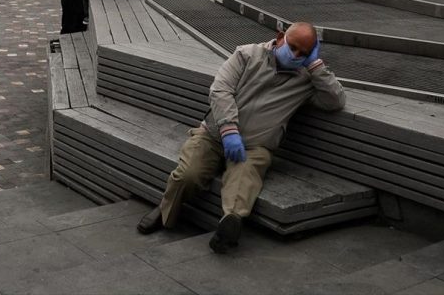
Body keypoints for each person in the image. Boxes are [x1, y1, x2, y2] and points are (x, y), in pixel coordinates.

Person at [136, 22, 346, 254]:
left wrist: (315, 65)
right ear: (279, 38)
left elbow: (334, 101)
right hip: (215, 135)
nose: (296, 55)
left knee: (243, 182)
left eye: (304, 53)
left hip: (257, 146)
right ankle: (164, 211)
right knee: (188, 174)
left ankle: (229, 225)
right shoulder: (246, 54)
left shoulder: (307, 77)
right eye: (293, 47)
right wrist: (229, 130)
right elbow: (220, 90)